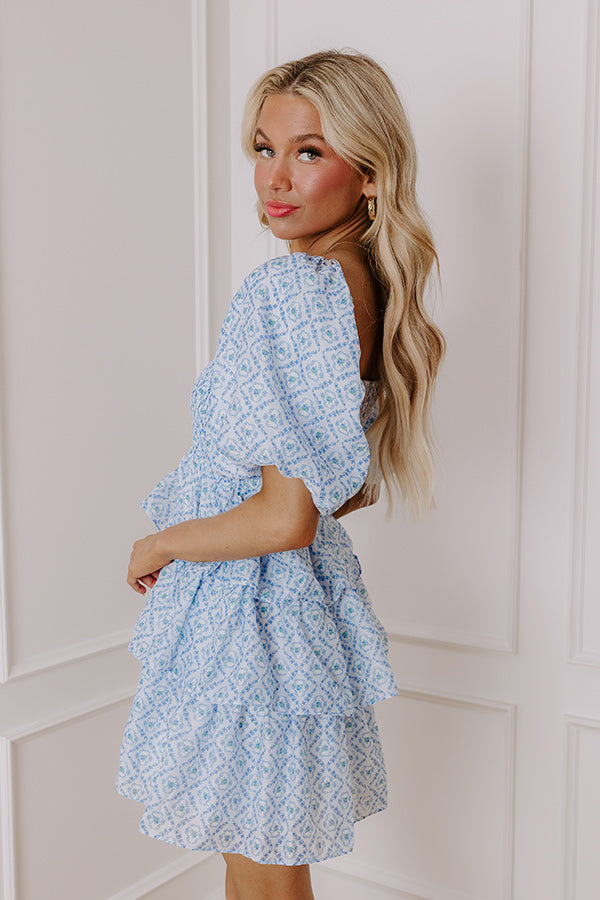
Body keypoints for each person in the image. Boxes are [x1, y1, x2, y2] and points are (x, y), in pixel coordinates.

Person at [117, 49, 445, 900]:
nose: (275, 178)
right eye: (264, 149)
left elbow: (287, 517)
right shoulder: (361, 284)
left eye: (309, 151)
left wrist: (162, 542)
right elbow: (337, 487)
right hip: (284, 615)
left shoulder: (292, 291)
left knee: (260, 876)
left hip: (250, 621)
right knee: (260, 865)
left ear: (370, 173)